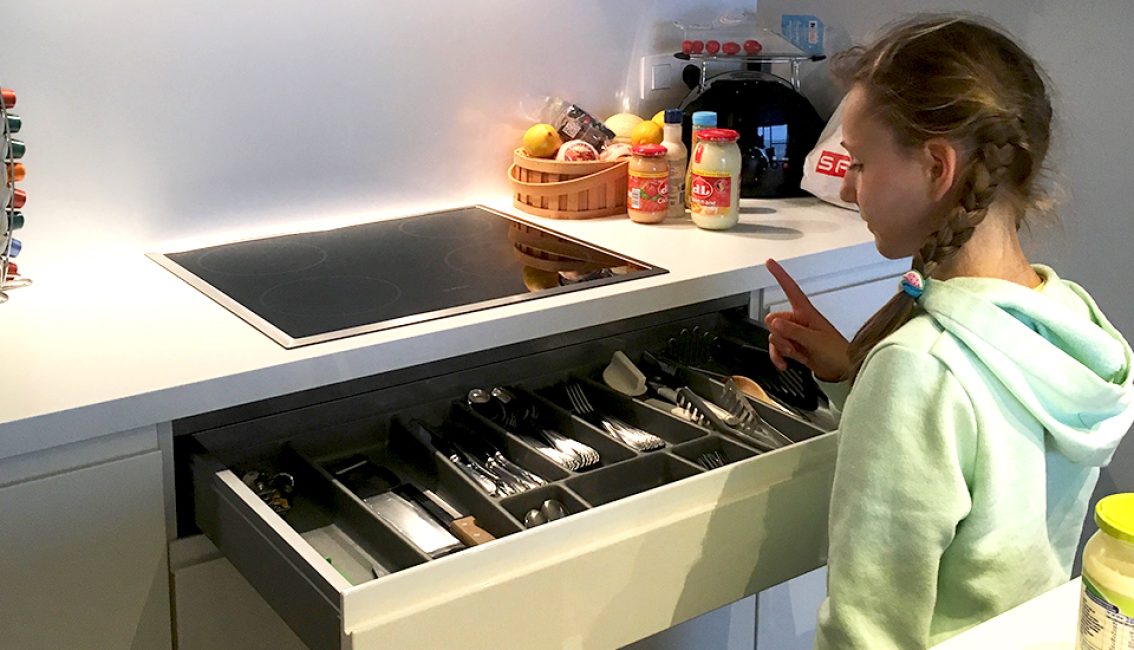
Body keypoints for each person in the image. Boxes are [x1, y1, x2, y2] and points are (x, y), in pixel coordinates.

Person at [762, 14, 1134, 649]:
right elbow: (980, 468)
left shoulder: (919, 368)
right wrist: (850, 373)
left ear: (937, 166)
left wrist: (881, 378)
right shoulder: (1069, 318)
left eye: (859, 163)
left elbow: (867, 631)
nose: (848, 190)